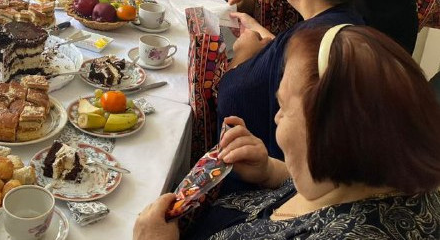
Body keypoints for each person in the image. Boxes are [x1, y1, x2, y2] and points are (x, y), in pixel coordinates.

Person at [134, 25, 440, 240]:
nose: (277, 118)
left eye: (282, 106)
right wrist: (270, 171)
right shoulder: (381, 168)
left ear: (326, 134)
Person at [217, 0, 363, 161]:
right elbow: (292, 55)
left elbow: (230, 97)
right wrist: (257, 29)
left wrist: (242, 55)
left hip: (272, 170)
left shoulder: (310, 39)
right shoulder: (348, 22)